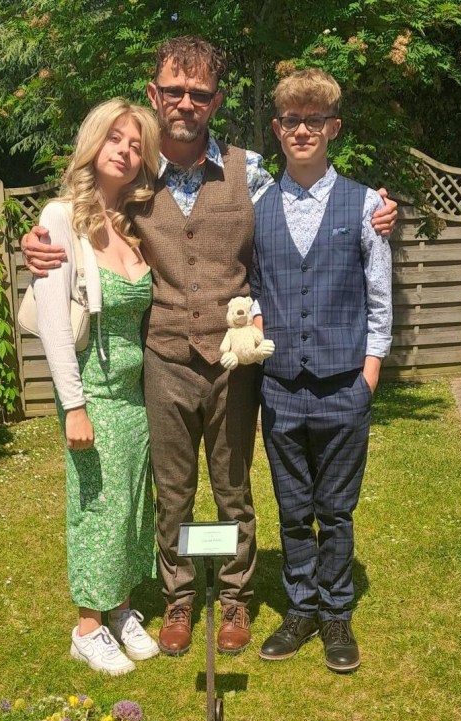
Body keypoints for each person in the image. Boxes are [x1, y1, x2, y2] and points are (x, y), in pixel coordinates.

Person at [22, 36, 398, 659]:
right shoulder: (137, 177)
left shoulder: (249, 172)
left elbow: (310, 197)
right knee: (172, 487)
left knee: (232, 487)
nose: (186, 104)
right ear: (155, 95)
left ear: (216, 101)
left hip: (236, 363)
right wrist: (39, 244)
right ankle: (176, 596)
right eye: (174, 91)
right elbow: (81, 211)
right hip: (163, 358)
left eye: (199, 94)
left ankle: (233, 597)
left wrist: (381, 208)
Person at [252, 68, 393, 673]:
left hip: (343, 386)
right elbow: (254, 289)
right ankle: (300, 607)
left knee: (335, 509)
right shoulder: (257, 204)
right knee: (291, 508)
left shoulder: (365, 205)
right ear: (278, 130)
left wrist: (369, 375)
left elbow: (380, 295)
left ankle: (336, 612)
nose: (302, 130)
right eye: (291, 120)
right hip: (280, 387)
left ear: (333, 128)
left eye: (314, 120)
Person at [33, 97, 161, 676]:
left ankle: (121, 610)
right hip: (96, 392)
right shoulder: (62, 219)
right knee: (96, 508)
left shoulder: (133, 223)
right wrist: (73, 407)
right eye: (116, 140)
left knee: (132, 506)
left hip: (137, 397)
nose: (126, 152)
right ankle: (88, 624)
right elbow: (56, 323)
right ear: (93, 143)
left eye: (136, 145)